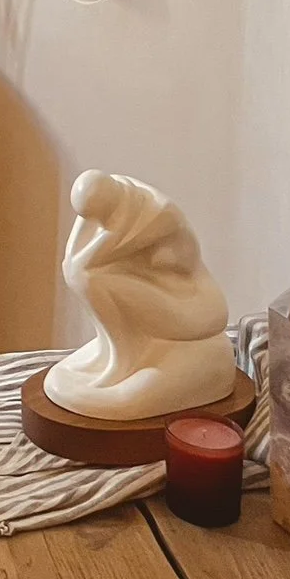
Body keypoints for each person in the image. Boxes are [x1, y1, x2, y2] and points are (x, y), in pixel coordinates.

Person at [44, 170, 235, 420]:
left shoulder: (159, 215)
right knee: (82, 276)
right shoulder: (112, 196)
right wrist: (75, 264)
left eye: (101, 217)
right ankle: (109, 352)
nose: (99, 225)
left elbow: (91, 261)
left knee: (93, 279)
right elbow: (73, 260)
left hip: (194, 307)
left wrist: (77, 267)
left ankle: (123, 362)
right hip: (163, 299)